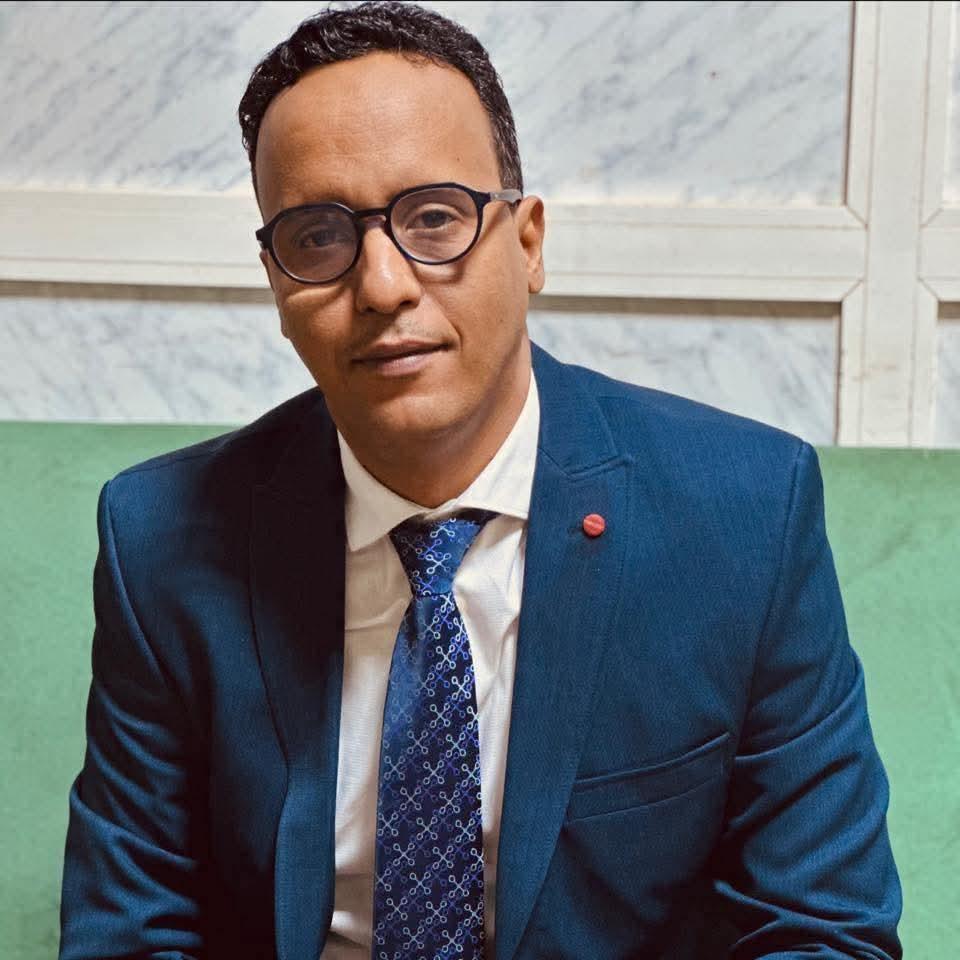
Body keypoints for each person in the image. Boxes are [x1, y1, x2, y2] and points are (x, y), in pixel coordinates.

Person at [58, 3, 903, 959]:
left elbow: (821, 927)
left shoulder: (745, 515)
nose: (383, 286)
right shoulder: (162, 539)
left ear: (528, 242)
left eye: (433, 219)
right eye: (319, 237)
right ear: (277, 282)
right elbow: (130, 929)